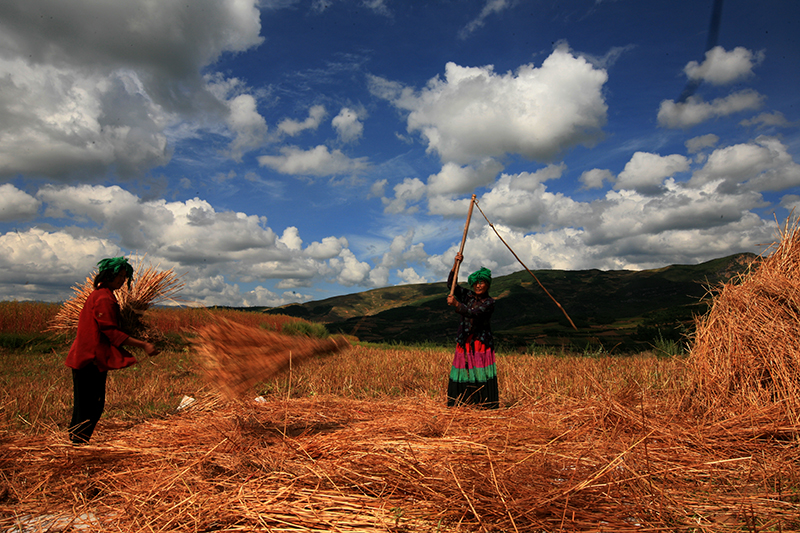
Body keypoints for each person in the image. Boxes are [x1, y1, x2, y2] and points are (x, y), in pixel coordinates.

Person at [65, 257, 159, 444]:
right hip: (89, 359)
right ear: (109, 275)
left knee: (88, 404)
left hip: (91, 358)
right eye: (120, 276)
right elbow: (111, 332)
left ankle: (77, 443)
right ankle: (78, 444)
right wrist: (144, 344)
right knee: (90, 406)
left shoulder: (103, 295)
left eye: (125, 277)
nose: (123, 280)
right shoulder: (103, 298)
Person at [445, 253, 499, 409]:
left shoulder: (489, 302)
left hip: (480, 342)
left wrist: (457, 304)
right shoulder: (467, 295)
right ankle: (462, 403)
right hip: (465, 339)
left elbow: (473, 313)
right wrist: (456, 263)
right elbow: (451, 284)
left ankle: (484, 404)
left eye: (482, 283)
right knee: (463, 371)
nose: (478, 286)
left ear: (487, 285)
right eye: (476, 283)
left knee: (479, 373)